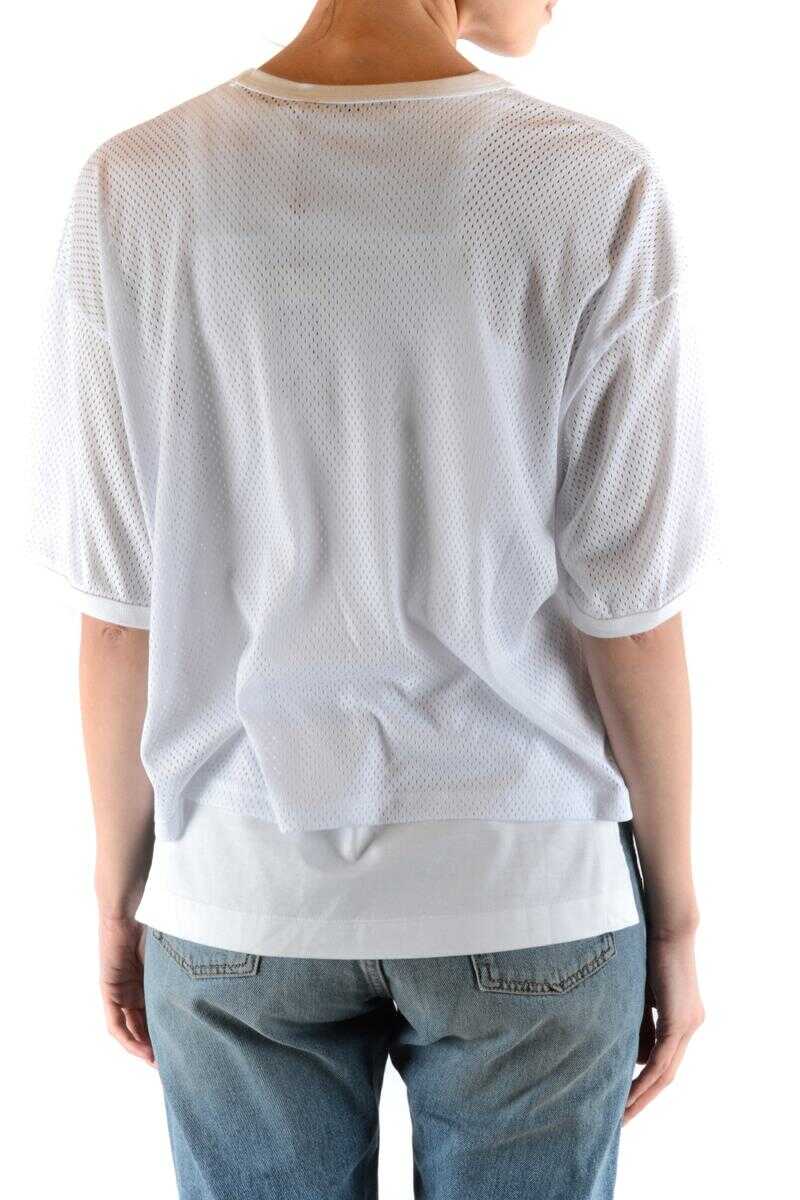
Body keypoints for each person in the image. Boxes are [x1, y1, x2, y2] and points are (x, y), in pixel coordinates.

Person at [26, 1, 716, 1196]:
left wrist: (117, 890)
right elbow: (632, 615)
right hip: (530, 888)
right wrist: (676, 920)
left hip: (235, 893)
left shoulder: (132, 185)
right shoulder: (590, 183)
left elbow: (119, 611)